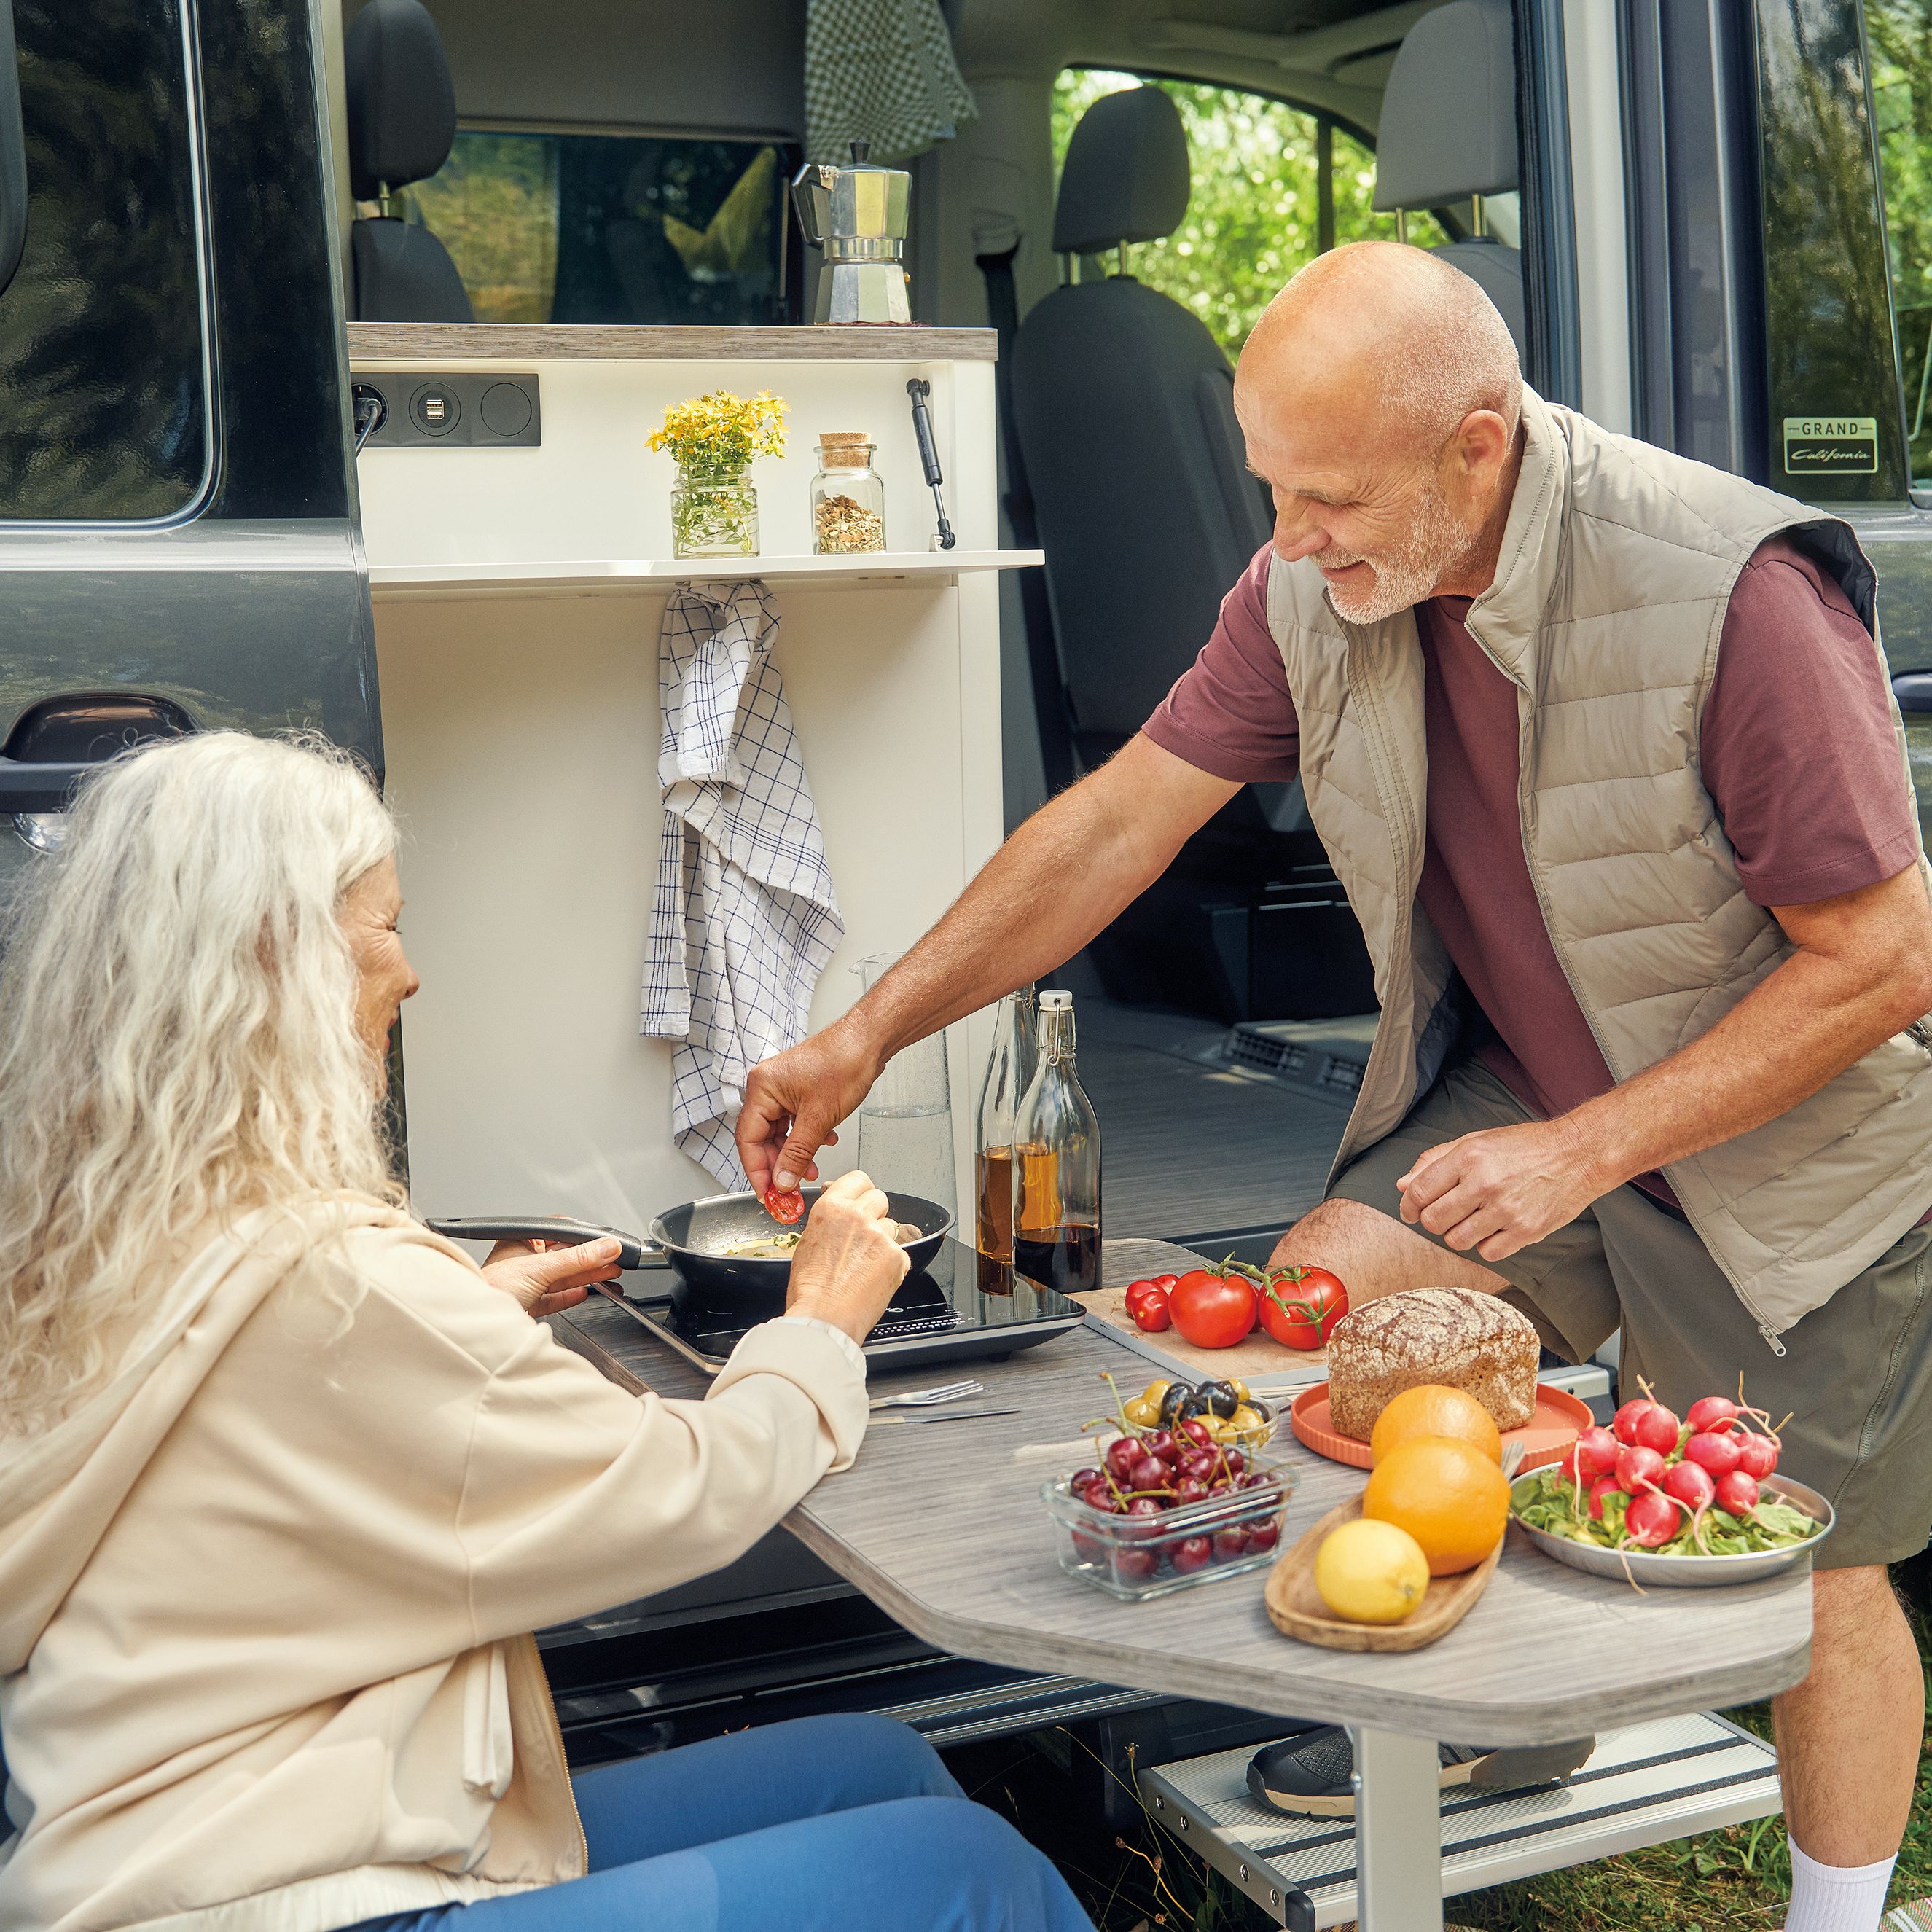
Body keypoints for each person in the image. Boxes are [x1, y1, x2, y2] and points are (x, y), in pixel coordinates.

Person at [739, 240, 1932, 1932]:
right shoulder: (1313, 582)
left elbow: (1885, 961)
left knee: (1821, 1572)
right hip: (1531, 1090)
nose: (1290, 538)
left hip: (1782, 1146)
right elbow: (1118, 826)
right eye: (1271, 489)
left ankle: (1838, 1917)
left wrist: (1588, 1150)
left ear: (1476, 450)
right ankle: (1506, 1719)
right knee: (1324, 1311)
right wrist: (869, 1030)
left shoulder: (1733, 594)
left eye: (1330, 497)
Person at [0, 732, 1096, 1932]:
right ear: (276, 960)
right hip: (292, 1901)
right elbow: (681, 1493)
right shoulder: (341, 1289)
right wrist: (820, 1324)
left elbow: (268, 1416)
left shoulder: (105, 1244)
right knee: (968, 1868)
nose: (410, 973)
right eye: (385, 928)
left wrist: (460, 1317)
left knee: (875, 1766)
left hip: (200, 1849)